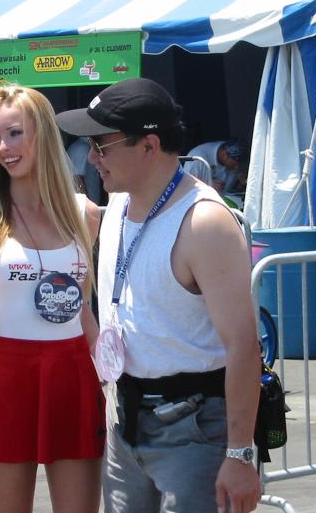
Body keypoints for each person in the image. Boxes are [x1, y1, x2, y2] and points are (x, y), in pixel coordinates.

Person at [55, 77, 262, 513]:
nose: (91, 158)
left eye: (101, 145)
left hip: (193, 428)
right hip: (126, 417)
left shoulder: (204, 222)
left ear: (149, 146)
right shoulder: (118, 205)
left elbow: (243, 344)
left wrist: (240, 454)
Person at [0, 84, 104, 513]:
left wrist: (109, 369)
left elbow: (82, 306)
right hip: (9, 375)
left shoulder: (84, 213)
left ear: (43, 135)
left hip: (74, 376)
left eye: (14, 133)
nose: (3, 148)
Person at [67, 136, 103, 204]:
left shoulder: (84, 147)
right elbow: (77, 180)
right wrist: (87, 206)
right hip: (84, 207)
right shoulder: (82, 147)